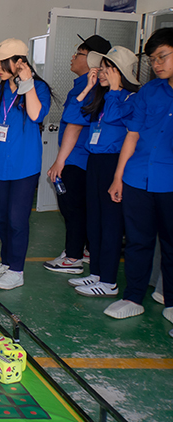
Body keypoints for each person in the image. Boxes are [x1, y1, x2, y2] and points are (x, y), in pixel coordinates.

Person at [105, 27, 173, 322]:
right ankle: (133, 297)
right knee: (137, 241)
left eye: (162, 57)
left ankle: (171, 301)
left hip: (169, 183)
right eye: (152, 59)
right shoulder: (149, 92)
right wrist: (118, 176)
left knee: (171, 245)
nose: (157, 64)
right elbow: (132, 135)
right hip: (138, 177)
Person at [61, 46, 139, 299]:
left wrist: (114, 90)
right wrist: (87, 89)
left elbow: (116, 118)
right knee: (94, 221)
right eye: (101, 68)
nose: (101, 72)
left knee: (111, 224)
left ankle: (108, 281)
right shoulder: (101, 97)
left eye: (107, 69)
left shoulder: (130, 99)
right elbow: (71, 115)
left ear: (120, 72)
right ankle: (95, 272)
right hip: (94, 162)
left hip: (113, 164)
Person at [0, 38, 52, 290]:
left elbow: (36, 114)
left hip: (25, 166)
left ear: (19, 62)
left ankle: (17, 271)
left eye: (3, 63)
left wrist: (27, 81)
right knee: (1, 219)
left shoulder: (38, 88)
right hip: (2, 166)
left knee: (17, 220)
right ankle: (6, 262)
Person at [45, 35, 112, 275]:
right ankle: (84, 250)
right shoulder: (84, 85)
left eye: (79, 53)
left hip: (77, 159)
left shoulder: (91, 87)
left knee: (72, 208)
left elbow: (74, 125)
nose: (73, 57)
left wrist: (59, 161)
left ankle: (72, 257)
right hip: (78, 158)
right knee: (79, 209)